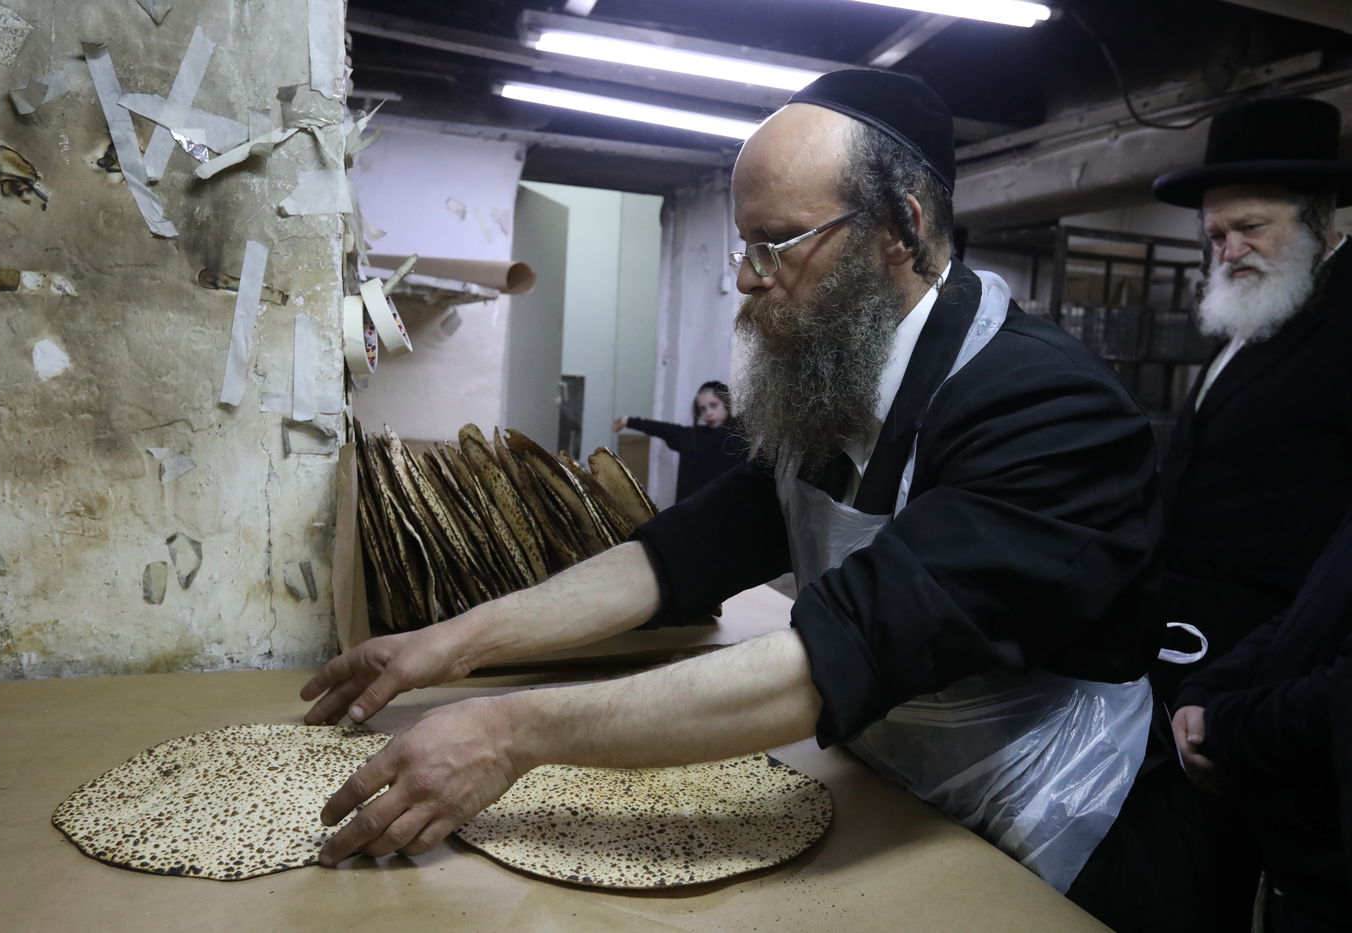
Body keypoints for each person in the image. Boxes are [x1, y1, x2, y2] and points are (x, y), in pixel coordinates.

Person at [300, 70, 1163, 925]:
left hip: (1051, 823)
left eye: (778, 242)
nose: (749, 279)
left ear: (904, 224)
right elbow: (676, 557)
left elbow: (842, 653)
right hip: (901, 788)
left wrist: (507, 733)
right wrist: (453, 644)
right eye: (742, 246)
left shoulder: (1050, 413)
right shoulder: (840, 379)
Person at [1149, 96, 1352, 702]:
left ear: (1318, 220)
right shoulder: (1267, 308)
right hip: (1196, 634)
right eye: (1216, 234)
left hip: (1279, 660)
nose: (1229, 250)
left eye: (1251, 228)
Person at [1171, 505, 1352, 932]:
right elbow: (1311, 611)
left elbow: (1338, 696)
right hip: (1292, 854)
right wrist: (1208, 689)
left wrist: (1219, 727)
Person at [612, 380, 748, 501]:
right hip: (691, 514)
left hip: (726, 512)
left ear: (726, 403)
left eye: (713, 405)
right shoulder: (692, 436)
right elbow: (663, 429)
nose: (708, 412)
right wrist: (627, 421)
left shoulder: (740, 431)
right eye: (703, 408)